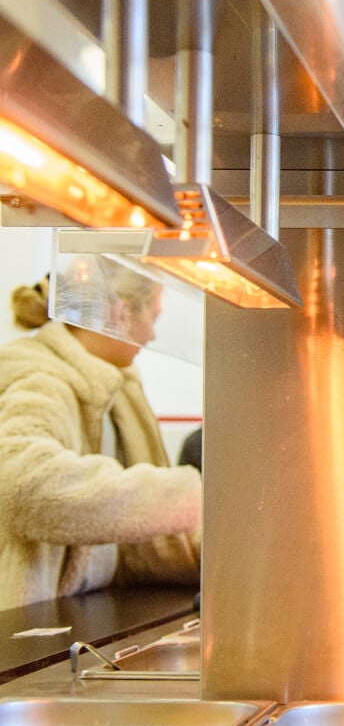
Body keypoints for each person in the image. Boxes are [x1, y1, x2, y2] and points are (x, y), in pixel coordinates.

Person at [0, 261, 202, 611]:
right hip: (23, 632)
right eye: (153, 317)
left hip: (77, 614)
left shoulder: (116, 390)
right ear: (121, 312)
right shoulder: (40, 379)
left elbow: (124, 542)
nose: (153, 335)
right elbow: (22, 487)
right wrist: (184, 495)